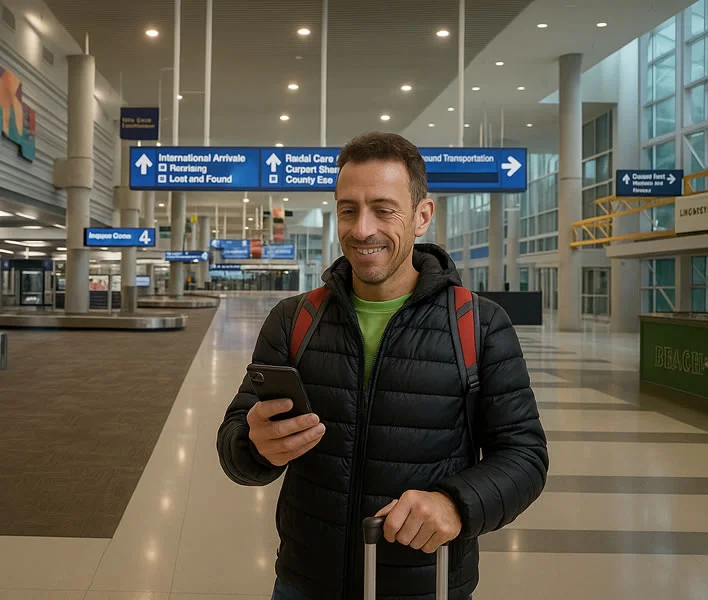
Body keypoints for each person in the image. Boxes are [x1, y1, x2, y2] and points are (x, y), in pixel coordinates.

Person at [216, 132, 548, 600]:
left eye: (383, 209)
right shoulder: (295, 320)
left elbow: (525, 456)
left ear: (421, 216)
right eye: (348, 209)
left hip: (425, 585)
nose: (362, 228)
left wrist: (456, 503)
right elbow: (236, 437)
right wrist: (253, 445)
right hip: (304, 582)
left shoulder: (477, 325)